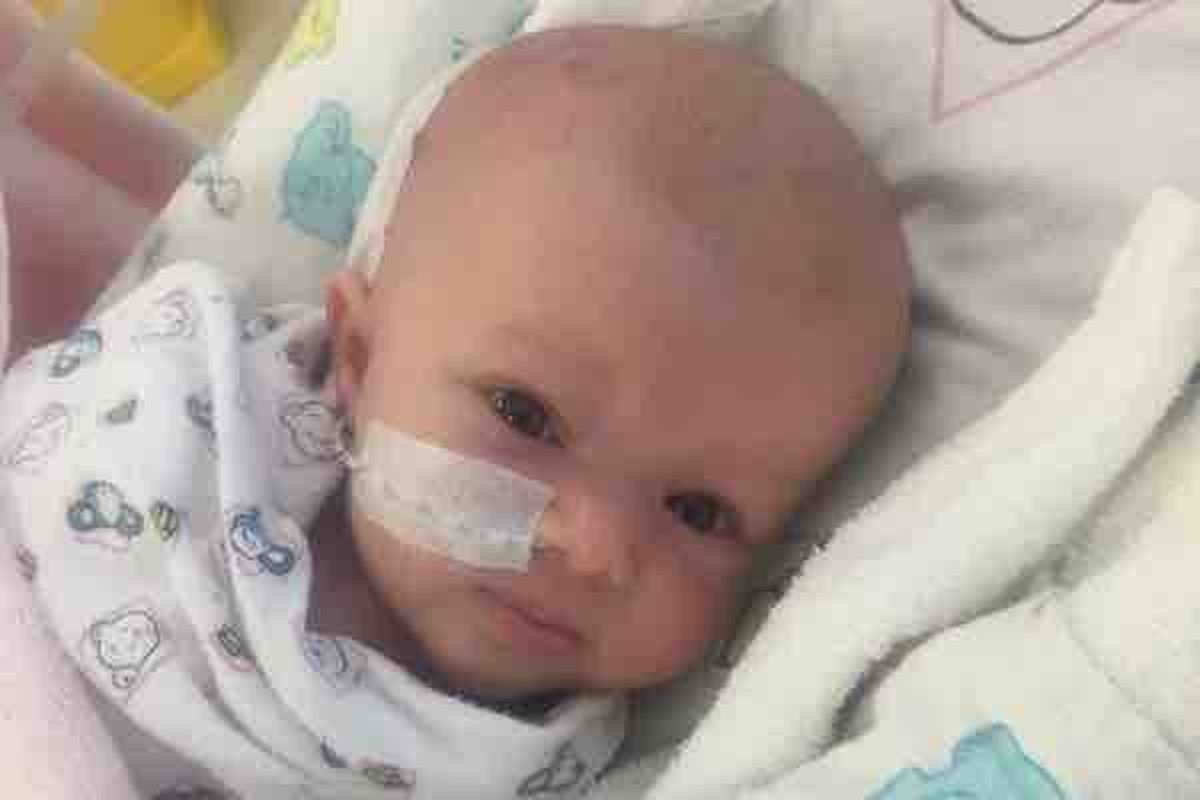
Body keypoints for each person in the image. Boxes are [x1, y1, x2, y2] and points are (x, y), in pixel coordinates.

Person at [0, 25, 910, 800]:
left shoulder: (568, 768)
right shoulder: (168, 413)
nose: (596, 546)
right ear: (360, 356)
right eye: (527, 415)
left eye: (699, 511)